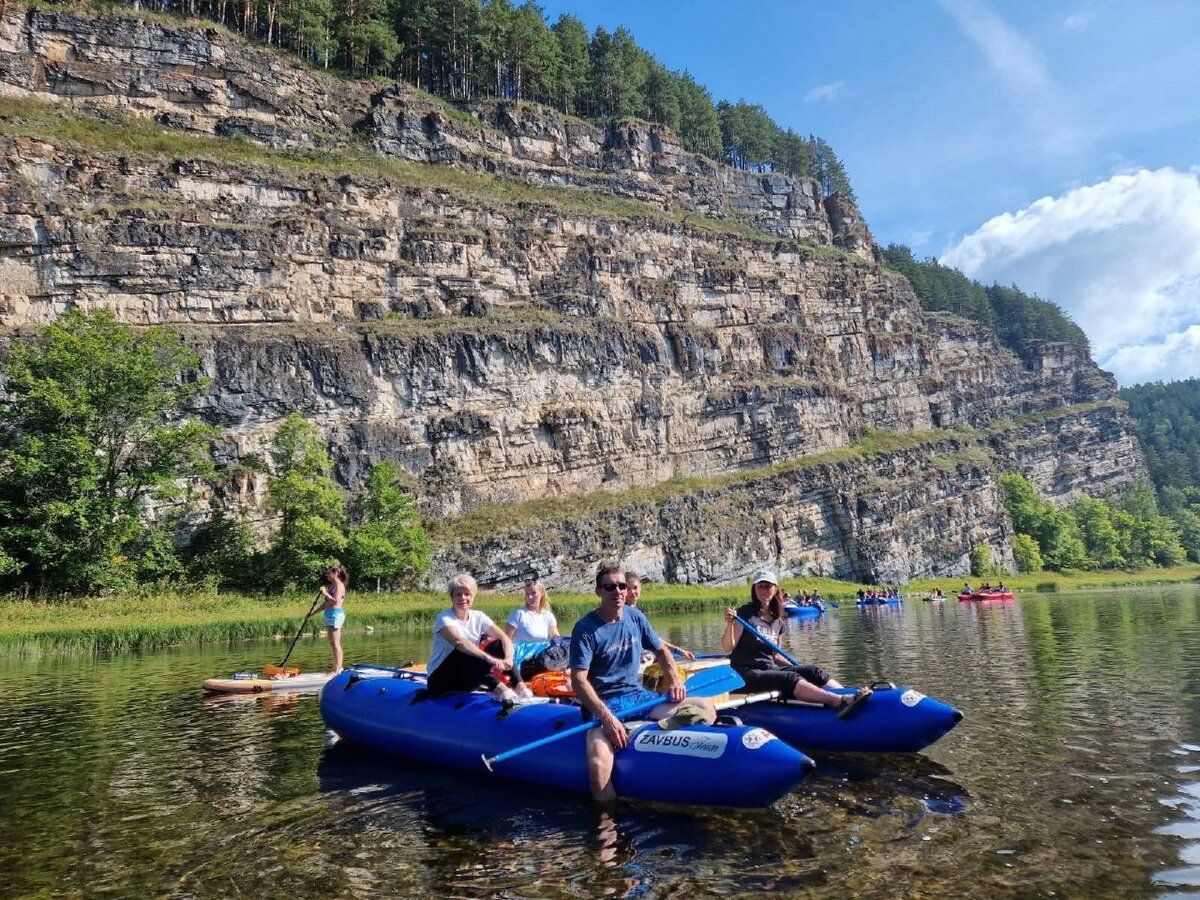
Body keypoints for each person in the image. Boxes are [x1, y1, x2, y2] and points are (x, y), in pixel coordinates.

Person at [571, 563, 716, 802]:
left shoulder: (635, 617)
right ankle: (608, 831)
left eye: (621, 586)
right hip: (603, 706)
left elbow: (661, 650)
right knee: (598, 768)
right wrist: (608, 719)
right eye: (609, 587)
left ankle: (669, 744)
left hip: (636, 698)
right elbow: (578, 680)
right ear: (598, 591)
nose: (617, 592)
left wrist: (674, 681)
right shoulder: (586, 629)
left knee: (705, 707)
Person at [722, 569, 870, 716]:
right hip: (744, 673)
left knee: (813, 671)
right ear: (754, 589)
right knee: (790, 678)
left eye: (767, 586)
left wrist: (798, 667)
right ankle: (839, 701)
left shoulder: (778, 621)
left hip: (768, 669)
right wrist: (730, 624)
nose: (763, 590)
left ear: (775, 589)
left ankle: (851, 695)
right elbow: (728, 647)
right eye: (759, 586)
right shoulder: (744, 614)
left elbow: (776, 656)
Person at [426, 573, 531, 702]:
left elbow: (504, 637)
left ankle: (520, 686)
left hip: (467, 677)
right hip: (441, 681)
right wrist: (489, 659)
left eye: (467, 594)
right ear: (452, 597)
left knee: (498, 644)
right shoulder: (444, 617)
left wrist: (508, 658)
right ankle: (501, 690)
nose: (463, 598)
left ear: (473, 596)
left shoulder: (478, 616)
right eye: (458, 594)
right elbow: (460, 642)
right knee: (466, 651)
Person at [624, 572, 695, 661]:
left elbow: (652, 638)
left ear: (640, 588)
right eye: (628, 589)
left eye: (635, 588)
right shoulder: (622, 612)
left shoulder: (639, 609)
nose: (632, 592)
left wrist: (679, 651)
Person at [319, 564, 348, 675]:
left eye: (328, 572)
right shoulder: (332, 586)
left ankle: (338, 669)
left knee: (336, 643)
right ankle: (335, 667)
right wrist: (312, 613)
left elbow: (335, 601)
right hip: (329, 614)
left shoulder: (339, 586)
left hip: (336, 615)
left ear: (335, 573)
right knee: (332, 643)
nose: (327, 575)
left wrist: (325, 593)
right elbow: (326, 603)